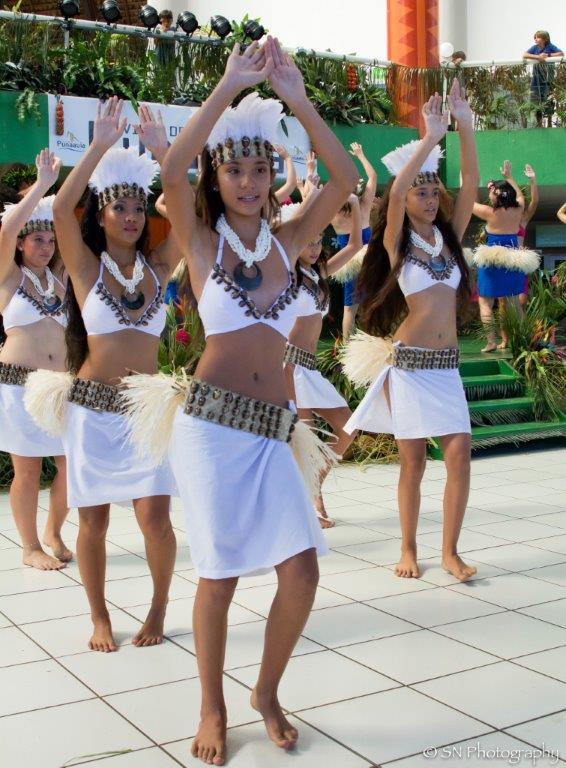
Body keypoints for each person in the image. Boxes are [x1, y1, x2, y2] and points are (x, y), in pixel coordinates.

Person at [152, 36, 357, 765]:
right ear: (217, 174)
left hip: (274, 431)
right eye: (234, 169)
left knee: (301, 571)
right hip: (211, 428)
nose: (247, 181)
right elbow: (171, 170)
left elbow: (342, 177)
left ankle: (265, 692)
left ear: (273, 174)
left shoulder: (290, 239)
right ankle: (211, 704)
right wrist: (228, 86)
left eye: (259, 168)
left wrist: (296, 97)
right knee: (221, 574)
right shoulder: (201, 240)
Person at [27, 101, 180, 652]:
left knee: (156, 519)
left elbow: (189, 213)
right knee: (92, 522)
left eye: (139, 207)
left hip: (146, 413)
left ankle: (158, 608)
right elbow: (60, 209)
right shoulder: (86, 267)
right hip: (92, 411)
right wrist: (97, 146)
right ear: (102, 213)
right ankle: (99, 616)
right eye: (120, 207)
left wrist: (165, 154)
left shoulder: (159, 267)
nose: (132, 216)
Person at [343, 81, 480, 583]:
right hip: (409, 366)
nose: (428, 197)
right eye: (421, 191)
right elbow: (395, 193)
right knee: (414, 462)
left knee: (460, 454)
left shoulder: (449, 239)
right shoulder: (398, 243)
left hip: (446, 368)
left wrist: (465, 127)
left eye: (432, 191)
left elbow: (471, 183)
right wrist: (430, 136)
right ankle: (407, 547)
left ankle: (450, 552)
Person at [0, 150, 71, 570]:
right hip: (18, 384)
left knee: (71, 467)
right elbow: (7, 228)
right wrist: (43, 186)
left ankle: (53, 532)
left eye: (50, 240)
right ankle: (30, 548)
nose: (46, 247)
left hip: (59, 385)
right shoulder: (9, 276)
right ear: (21, 243)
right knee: (26, 470)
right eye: (37, 240)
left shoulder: (59, 278)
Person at [283, 189, 362, 529]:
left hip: (309, 368)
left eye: (318, 241)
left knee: (348, 426)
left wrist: (355, 204)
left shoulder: (320, 273)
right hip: (288, 365)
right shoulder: (286, 276)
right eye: (308, 242)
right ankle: (311, 503)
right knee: (303, 440)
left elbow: (355, 245)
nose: (314, 248)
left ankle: (314, 484)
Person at [472, 161, 538, 351]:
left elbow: (468, 203)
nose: (489, 195)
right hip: (512, 261)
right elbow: (520, 196)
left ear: (498, 195)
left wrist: (467, 182)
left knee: (485, 302)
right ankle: (522, 340)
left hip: (491, 260)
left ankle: (491, 341)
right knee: (513, 303)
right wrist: (510, 177)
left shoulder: (489, 213)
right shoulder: (518, 209)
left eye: (491, 192)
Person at [329, 142, 378, 340]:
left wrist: (310, 172)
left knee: (350, 307)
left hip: (347, 261)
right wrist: (360, 154)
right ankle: (371, 341)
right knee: (372, 302)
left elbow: (309, 196)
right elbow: (373, 177)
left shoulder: (333, 212)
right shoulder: (364, 204)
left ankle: (347, 347)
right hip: (368, 258)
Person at [523, 31, 564, 128]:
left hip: (548, 79)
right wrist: (538, 57)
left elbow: (561, 53)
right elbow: (525, 54)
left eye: (538, 37)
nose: (535, 39)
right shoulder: (535, 48)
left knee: (548, 100)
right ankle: (539, 124)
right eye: (535, 38)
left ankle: (549, 123)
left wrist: (548, 55)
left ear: (545, 39)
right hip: (536, 80)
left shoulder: (550, 46)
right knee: (536, 101)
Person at [517, 163, 539, 307]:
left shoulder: (523, 219)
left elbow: (535, 202)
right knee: (503, 304)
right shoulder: (500, 218)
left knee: (522, 302)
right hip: (503, 262)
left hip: (519, 263)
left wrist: (532, 180)